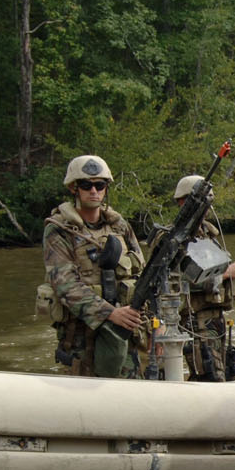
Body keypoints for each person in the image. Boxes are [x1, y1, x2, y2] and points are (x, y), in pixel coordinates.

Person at [42, 154, 146, 377]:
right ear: (73, 188)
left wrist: (156, 324)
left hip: (126, 333)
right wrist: (110, 313)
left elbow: (143, 275)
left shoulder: (119, 226)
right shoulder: (59, 229)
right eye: (86, 185)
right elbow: (65, 285)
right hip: (81, 339)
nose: (94, 191)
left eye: (100, 185)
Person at [172, 173, 235, 381]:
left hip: (214, 318)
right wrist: (226, 274)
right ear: (183, 203)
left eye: (209, 201)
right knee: (207, 376)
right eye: (202, 201)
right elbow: (180, 279)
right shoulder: (174, 238)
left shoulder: (207, 234)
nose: (207, 207)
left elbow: (215, 265)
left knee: (221, 372)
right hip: (194, 319)